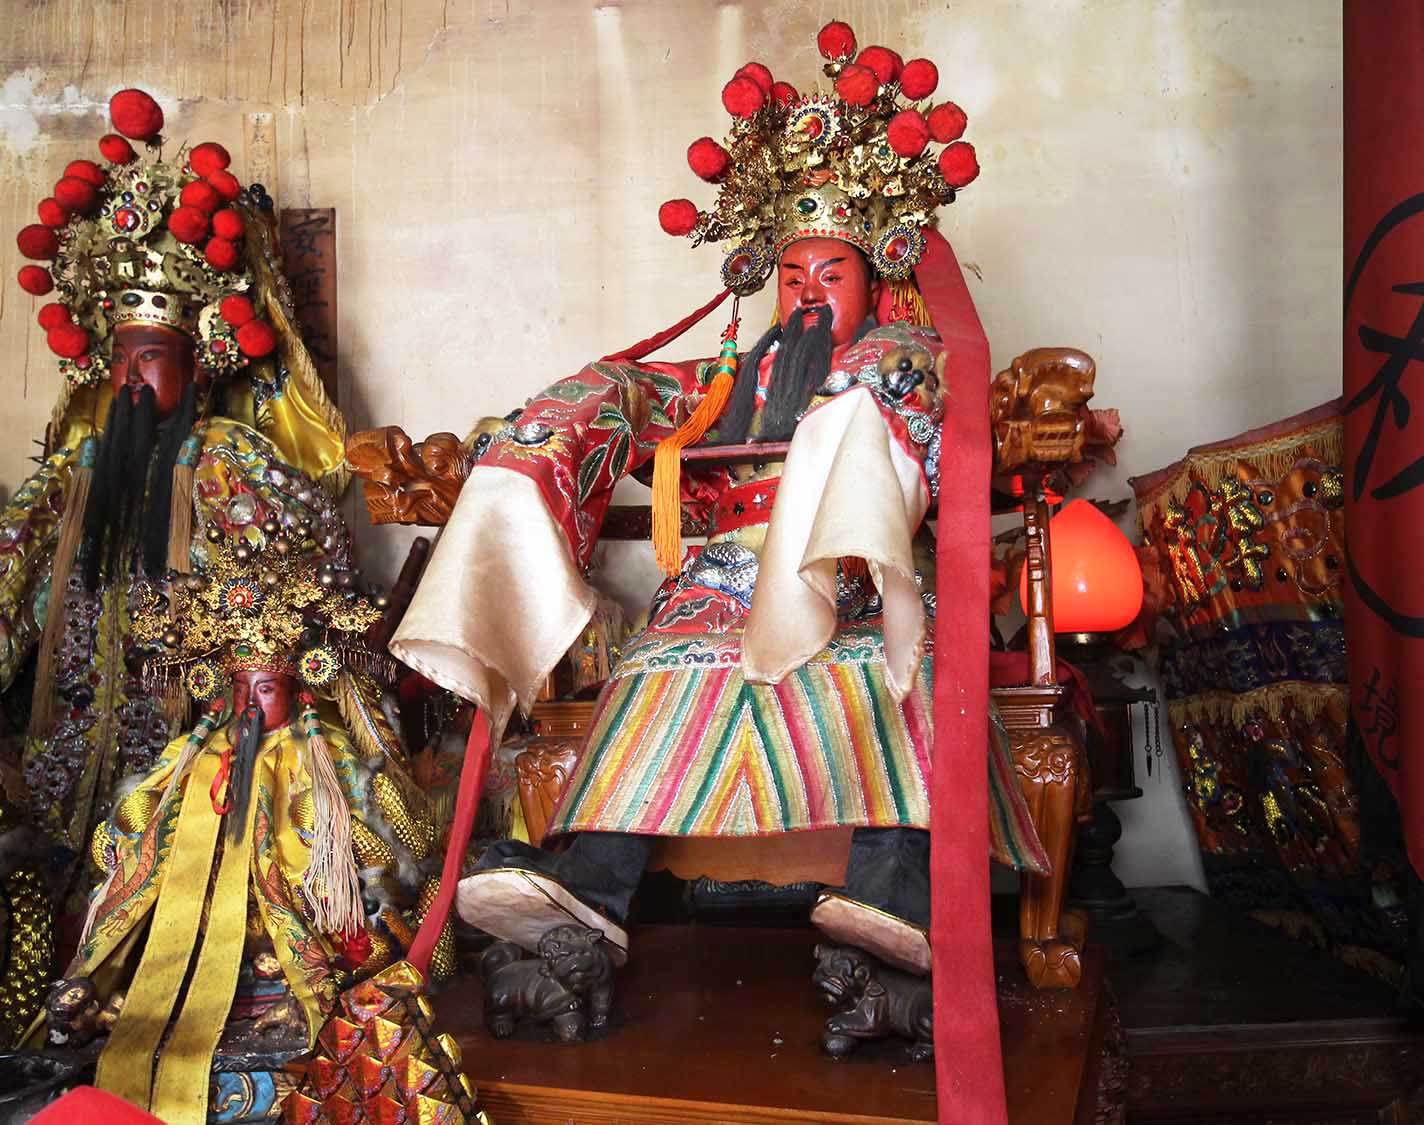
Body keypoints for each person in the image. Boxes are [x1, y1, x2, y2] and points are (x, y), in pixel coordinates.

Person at [391, 21, 1042, 980]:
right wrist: (547, 431)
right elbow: (634, 390)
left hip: (858, 573)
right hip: (720, 583)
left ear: (876, 279)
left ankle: (897, 894)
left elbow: (919, 434)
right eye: (793, 276)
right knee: (655, 665)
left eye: (833, 274)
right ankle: (592, 889)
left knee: (901, 673)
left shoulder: (901, 360)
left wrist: (868, 388)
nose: (809, 294)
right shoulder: (729, 378)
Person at [0, 89, 350, 907]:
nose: (132, 375)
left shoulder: (231, 465)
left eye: (152, 357)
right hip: (67, 748)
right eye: (123, 357)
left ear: (196, 366)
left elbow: (302, 584)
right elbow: (14, 583)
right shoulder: (75, 473)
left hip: (198, 746)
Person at [38, 524, 438, 1124]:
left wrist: (312, 840)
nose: (251, 703)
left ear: (296, 689)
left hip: (279, 929)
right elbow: (126, 835)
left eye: (266, 688)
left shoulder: (321, 756)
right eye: (241, 688)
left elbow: (374, 857)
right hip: (180, 929)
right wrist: (143, 827)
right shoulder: (194, 755)